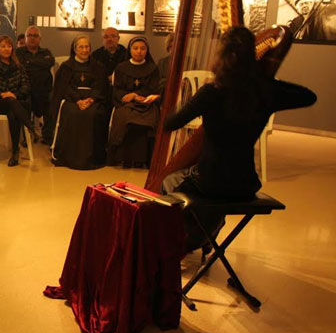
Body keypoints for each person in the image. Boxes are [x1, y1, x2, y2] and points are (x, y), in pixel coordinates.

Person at [163, 26, 316, 251]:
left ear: (222, 56)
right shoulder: (266, 92)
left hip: (209, 183)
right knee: (197, 189)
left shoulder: (211, 92)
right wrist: (266, 79)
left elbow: (171, 123)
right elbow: (309, 97)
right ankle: (208, 231)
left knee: (168, 181)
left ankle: (196, 236)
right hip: (245, 185)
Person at [50, 36, 109, 169]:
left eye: (86, 47)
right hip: (71, 100)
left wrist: (90, 99)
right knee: (72, 113)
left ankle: (92, 157)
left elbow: (101, 87)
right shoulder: (66, 67)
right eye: (81, 47)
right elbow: (64, 87)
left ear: (90, 48)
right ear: (75, 49)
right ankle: (70, 156)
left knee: (93, 114)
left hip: (93, 100)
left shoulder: (98, 67)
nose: (84, 50)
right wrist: (78, 100)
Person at [108, 37, 161, 168]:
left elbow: (154, 89)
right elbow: (117, 90)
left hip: (146, 103)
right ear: (130, 50)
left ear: (147, 50)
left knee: (150, 117)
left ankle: (143, 159)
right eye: (135, 48)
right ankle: (123, 158)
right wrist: (130, 96)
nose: (139, 51)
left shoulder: (153, 68)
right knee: (125, 115)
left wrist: (136, 95)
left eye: (142, 48)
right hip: (126, 103)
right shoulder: (121, 67)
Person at [0, 35, 33, 166]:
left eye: (9, 46)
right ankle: (29, 125)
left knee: (13, 112)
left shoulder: (19, 67)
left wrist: (15, 95)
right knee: (10, 102)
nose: (6, 49)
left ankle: (15, 151)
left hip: (16, 102)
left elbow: (26, 86)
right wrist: (1, 94)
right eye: (3, 46)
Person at [15, 26, 55, 143]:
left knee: (53, 101)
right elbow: (21, 66)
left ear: (40, 38)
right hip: (26, 89)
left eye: (35, 36)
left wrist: (29, 63)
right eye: (30, 35)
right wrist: (41, 64)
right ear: (25, 38)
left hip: (44, 90)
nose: (32, 38)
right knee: (25, 101)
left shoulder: (46, 52)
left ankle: (47, 136)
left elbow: (50, 62)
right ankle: (28, 136)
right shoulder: (19, 52)